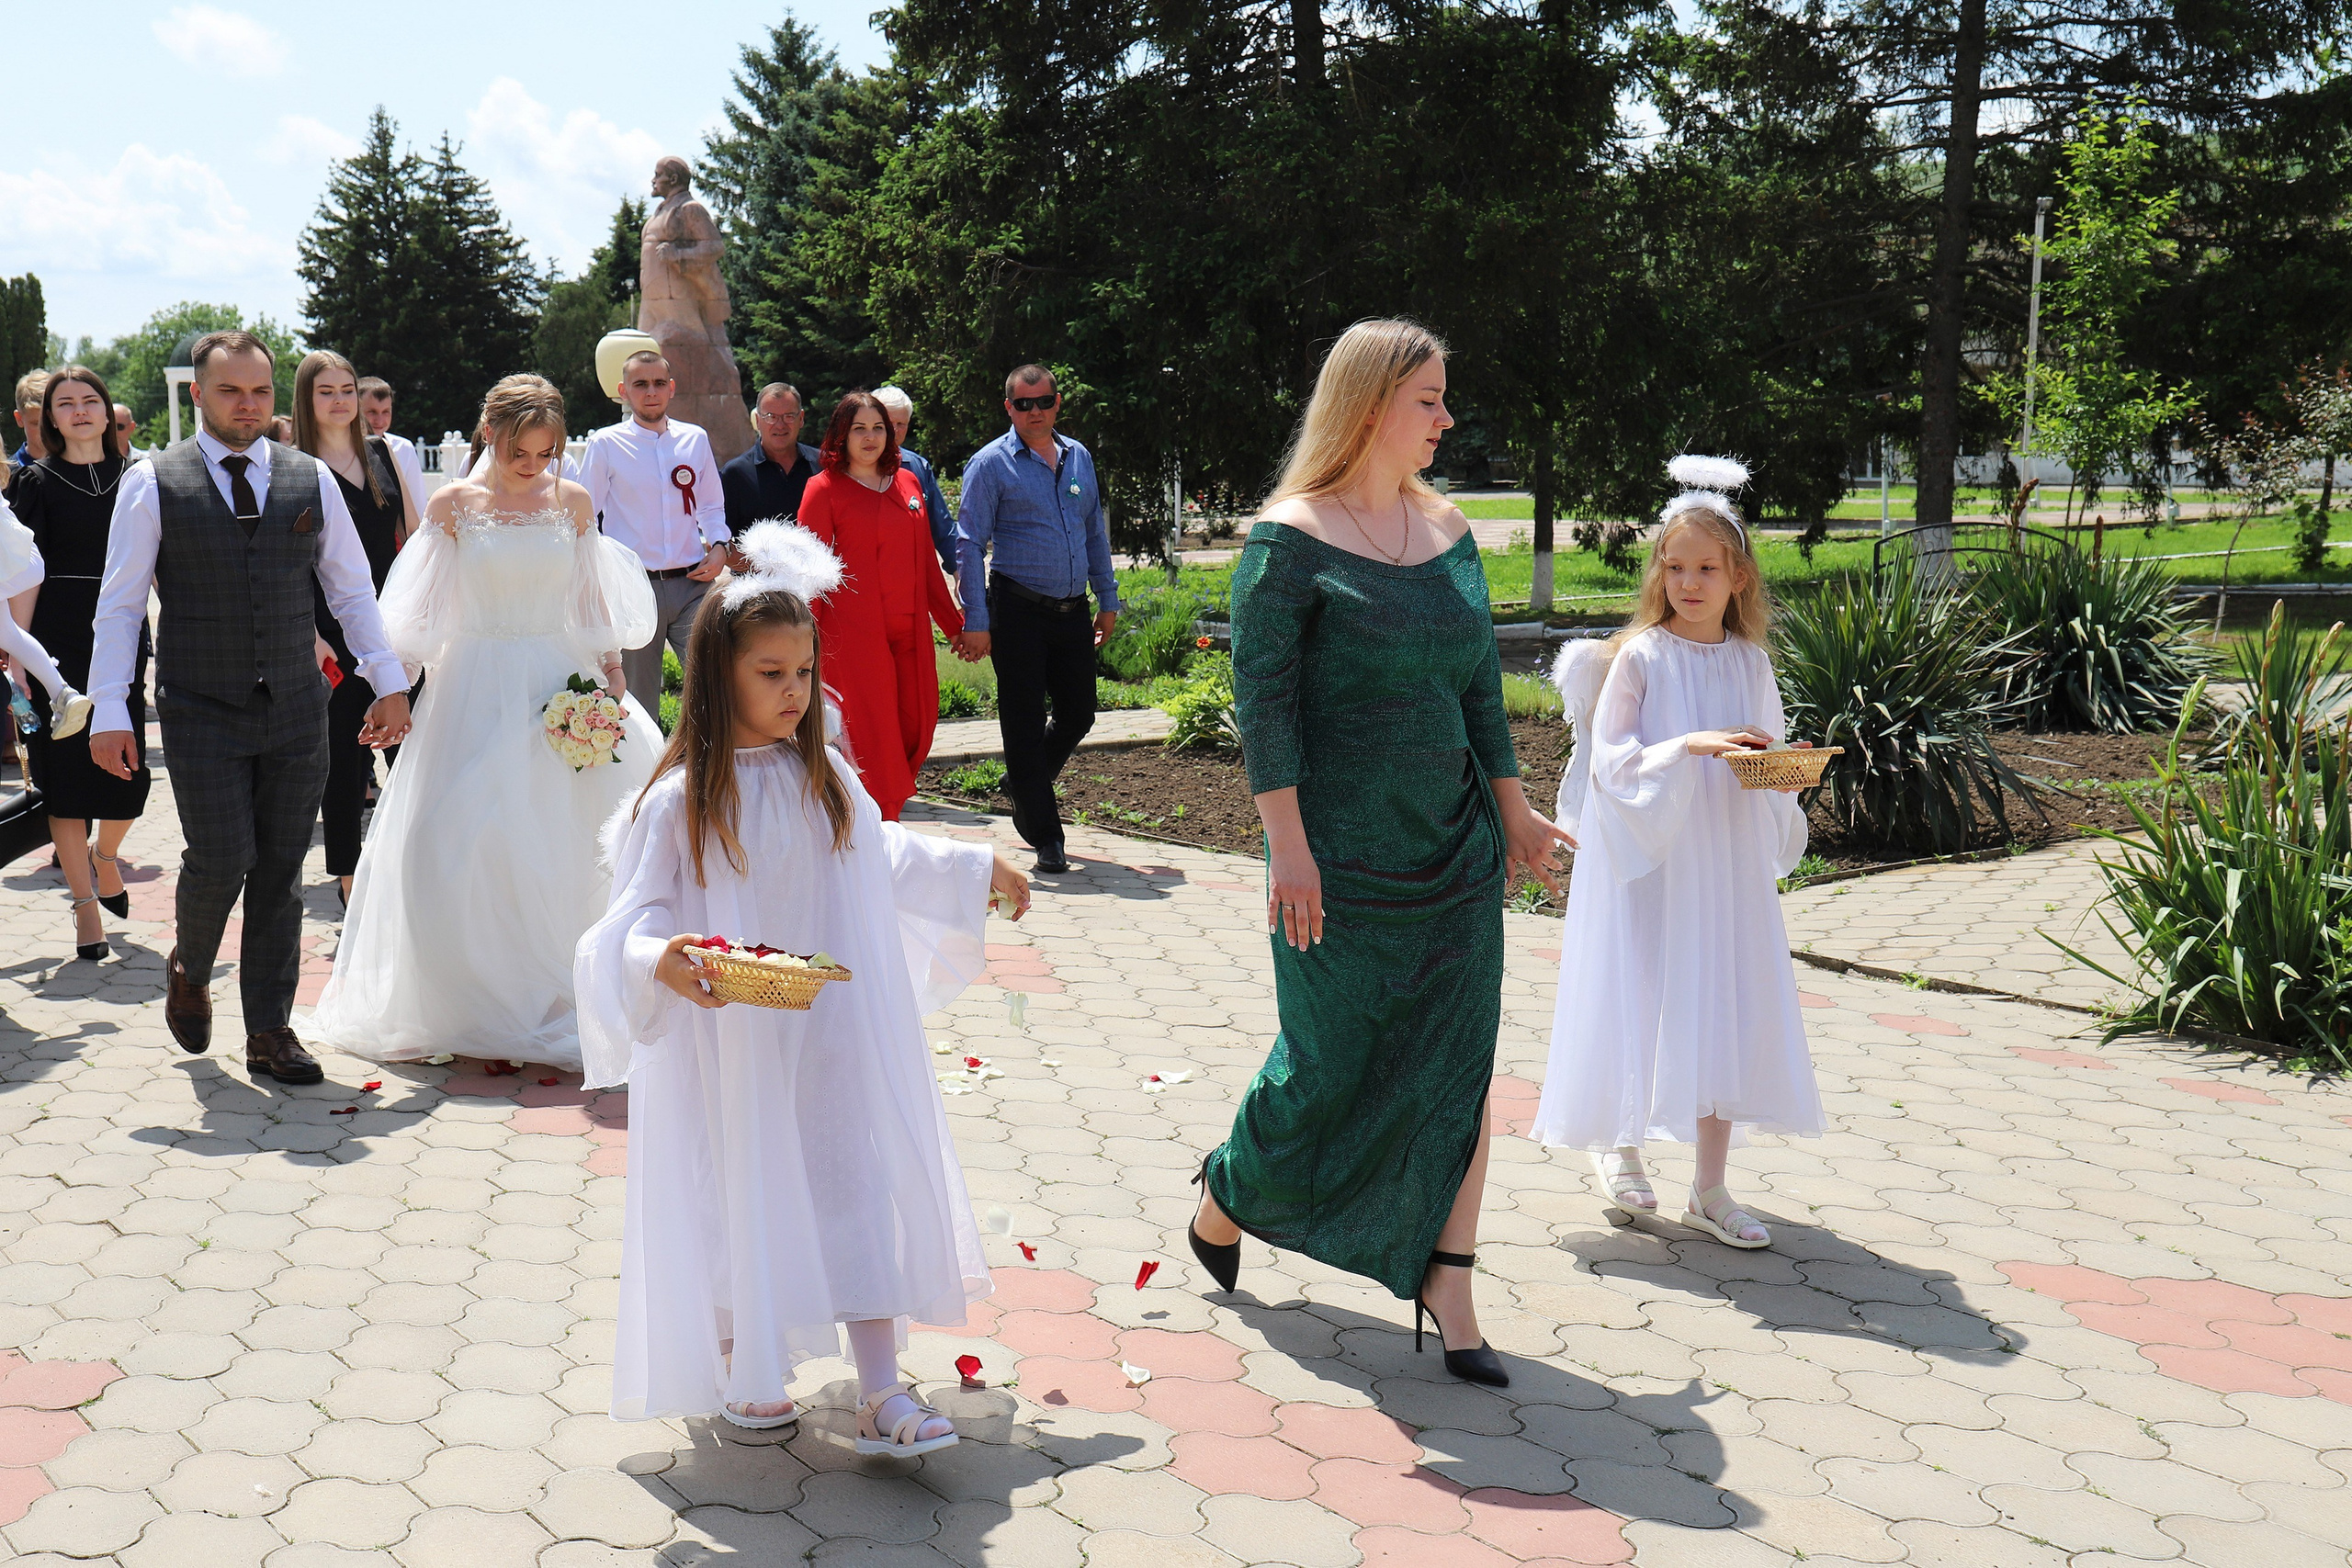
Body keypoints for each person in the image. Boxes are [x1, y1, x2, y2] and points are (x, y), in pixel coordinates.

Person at [579, 519, 1028, 1446]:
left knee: (851, 1179)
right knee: (736, 1189)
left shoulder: (824, 779)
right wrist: (658, 959)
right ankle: (745, 1358)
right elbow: (634, 920)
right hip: (730, 1040)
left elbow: (884, 855)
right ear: (719, 677)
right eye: (769, 673)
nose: (793, 692)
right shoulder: (678, 803)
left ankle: (880, 1387)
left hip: (828, 1029)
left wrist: (972, 867)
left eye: (803, 673)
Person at [1185, 320, 1571, 1388]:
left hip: (1450, 849)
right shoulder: (1287, 540)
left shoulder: (1447, 530)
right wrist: (1289, 850)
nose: (1448, 419)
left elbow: (1477, 693)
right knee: (1329, 1066)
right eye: (1429, 400)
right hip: (1334, 860)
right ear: (1367, 408)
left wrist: (1518, 813)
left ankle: (1449, 1279)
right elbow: (1264, 711)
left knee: (1456, 1067)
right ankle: (1228, 1189)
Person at [302, 376, 658, 1072]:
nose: (533, 466)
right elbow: (418, 610)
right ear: (489, 433)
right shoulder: (454, 505)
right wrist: (391, 686)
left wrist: (611, 681)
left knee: (562, 842)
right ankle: (468, 996)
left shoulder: (574, 502)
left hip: (558, 682)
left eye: (546, 453)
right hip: (471, 685)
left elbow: (590, 602)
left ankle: (552, 993)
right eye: (521, 451)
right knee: (453, 840)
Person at [88, 331, 413, 1088]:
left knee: (279, 870)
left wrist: (388, 678)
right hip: (200, 704)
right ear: (198, 394)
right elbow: (120, 605)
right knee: (222, 856)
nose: (247, 405)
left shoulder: (307, 478)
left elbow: (351, 590)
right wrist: (111, 708)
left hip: (298, 708)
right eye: (231, 391)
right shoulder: (152, 480)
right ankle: (190, 963)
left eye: (260, 391)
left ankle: (270, 1028)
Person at [1532, 457, 1821, 1250]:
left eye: (1707, 568)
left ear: (1738, 577)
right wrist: (1687, 743)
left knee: (1719, 1000)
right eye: (1677, 565)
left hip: (1720, 862)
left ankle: (1711, 1185)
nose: (1690, 581)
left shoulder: (1749, 662)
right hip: (1651, 861)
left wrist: (1783, 766)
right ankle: (1620, 1145)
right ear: (1660, 570)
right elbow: (1611, 762)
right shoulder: (1642, 658)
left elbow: (1762, 756)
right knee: (1642, 988)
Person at [952, 365, 1119, 874]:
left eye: (1043, 401)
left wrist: (1107, 597)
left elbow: (1093, 531)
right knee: (1022, 723)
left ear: (1057, 402)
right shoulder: (991, 464)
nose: (1034, 412)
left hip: (1072, 608)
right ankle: (1046, 834)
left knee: (1080, 712)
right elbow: (968, 542)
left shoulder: (1078, 457)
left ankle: (1023, 784)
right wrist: (975, 618)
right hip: (1017, 608)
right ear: (1009, 408)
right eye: (1023, 404)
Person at [6, 367, 130, 959]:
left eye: (89, 401)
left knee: (128, 774)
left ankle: (106, 857)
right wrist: (19, 655)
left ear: (107, 413)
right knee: (66, 780)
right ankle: (86, 913)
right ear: (49, 418)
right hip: (58, 640)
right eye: (65, 403)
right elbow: (21, 575)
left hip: (125, 634)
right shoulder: (35, 483)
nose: (79, 411)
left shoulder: (140, 477)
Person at [292, 350, 422, 908]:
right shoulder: (289, 463)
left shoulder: (388, 454)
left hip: (393, 624)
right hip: (326, 632)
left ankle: (417, 871)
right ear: (306, 398)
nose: (341, 399)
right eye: (326, 390)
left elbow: (418, 539)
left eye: (347, 388)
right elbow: (286, 559)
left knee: (413, 751)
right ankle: (348, 883)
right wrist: (309, 635)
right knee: (343, 763)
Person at [797, 390, 963, 820]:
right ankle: (877, 828)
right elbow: (809, 577)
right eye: (859, 429)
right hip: (853, 641)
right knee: (874, 740)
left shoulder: (908, 483)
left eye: (879, 428)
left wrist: (955, 626)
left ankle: (883, 815)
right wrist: (802, 649)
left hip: (910, 636)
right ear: (841, 435)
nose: (870, 438)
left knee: (917, 724)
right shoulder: (823, 490)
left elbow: (927, 562)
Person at [580, 350, 729, 718]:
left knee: (715, 686)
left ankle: (701, 770)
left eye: (659, 383)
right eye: (640, 384)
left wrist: (720, 545)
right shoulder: (606, 444)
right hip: (632, 588)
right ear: (623, 391)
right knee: (637, 701)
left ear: (672, 388)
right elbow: (584, 516)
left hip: (692, 584)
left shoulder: (694, 439)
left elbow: (710, 504)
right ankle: (644, 776)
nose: (651, 392)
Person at [874, 386, 958, 580]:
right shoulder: (846, 468)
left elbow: (942, 527)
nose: (894, 430)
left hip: (911, 581)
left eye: (901, 423)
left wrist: (958, 571)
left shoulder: (918, 467)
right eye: (887, 422)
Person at [719, 382, 820, 533]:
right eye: (771, 417)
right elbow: (721, 541)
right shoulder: (735, 474)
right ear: (758, 421)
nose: (780, 425)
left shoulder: (823, 465)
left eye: (789, 416)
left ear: (801, 418)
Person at [357, 378, 426, 502]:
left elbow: (418, 500)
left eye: (386, 412)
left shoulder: (404, 448)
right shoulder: (344, 449)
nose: (380, 420)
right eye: (372, 412)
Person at [10, 371, 51, 471]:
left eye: (51, 422)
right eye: (36, 424)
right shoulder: (7, 476)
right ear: (19, 419)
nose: (46, 431)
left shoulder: (81, 466)